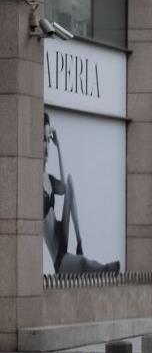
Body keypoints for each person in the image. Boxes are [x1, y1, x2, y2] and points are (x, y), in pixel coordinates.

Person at [42, 114, 120, 275]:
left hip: (63, 235)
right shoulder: (33, 180)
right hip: (59, 259)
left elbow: (64, 187)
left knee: (70, 180)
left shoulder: (48, 179)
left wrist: (59, 146)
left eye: (47, 140)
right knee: (84, 262)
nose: (46, 146)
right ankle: (105, 269)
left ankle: (79, 241)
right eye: (43, 140)